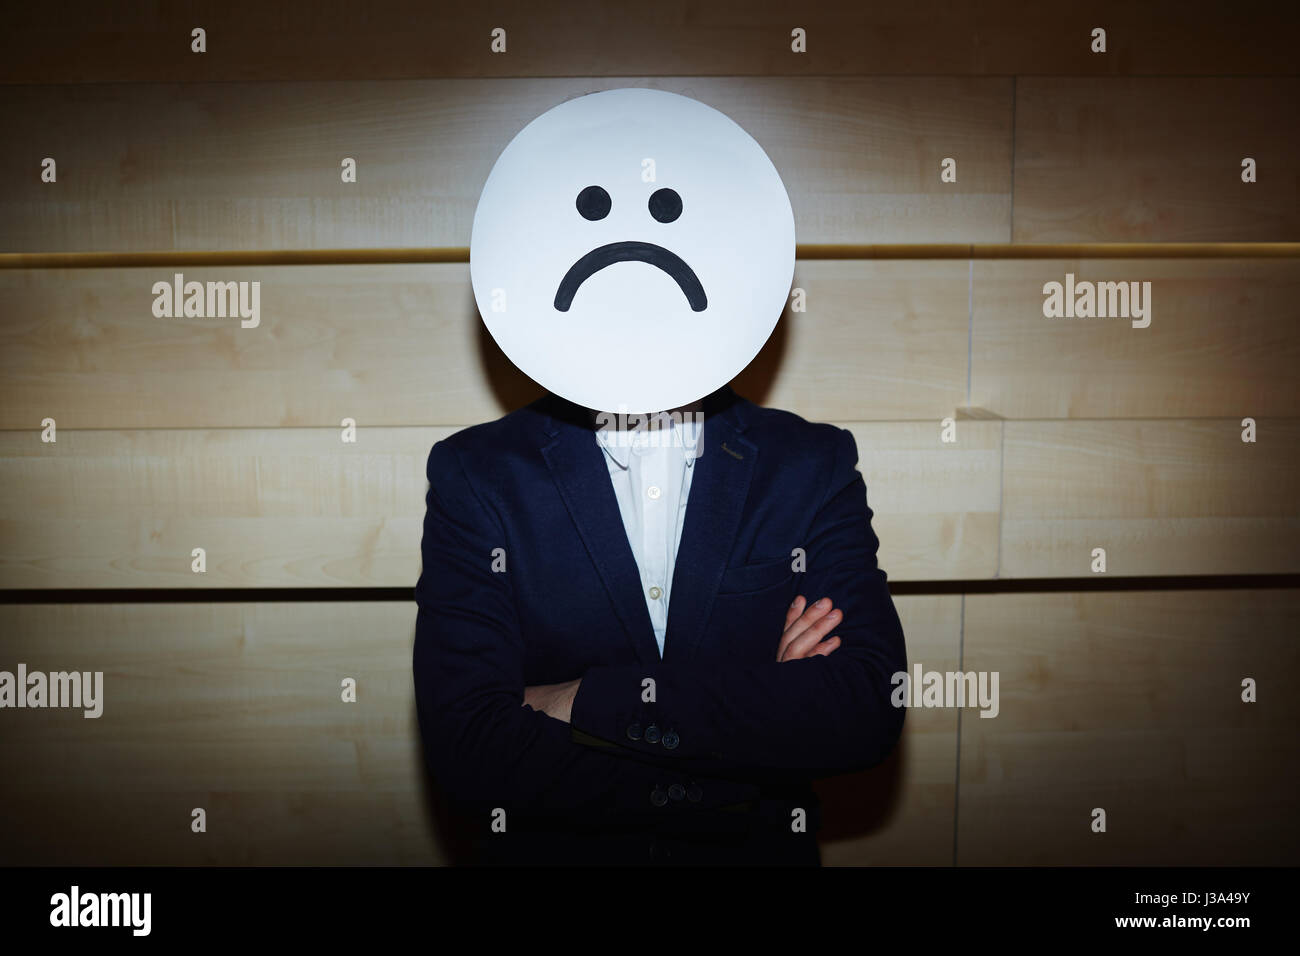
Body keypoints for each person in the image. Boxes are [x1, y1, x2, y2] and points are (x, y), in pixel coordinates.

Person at [412, 87, 906, 866]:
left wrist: (575, 701)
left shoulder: (809, 466)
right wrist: (751, 726)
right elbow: (470, 750)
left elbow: (863, 710)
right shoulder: (477, 476)